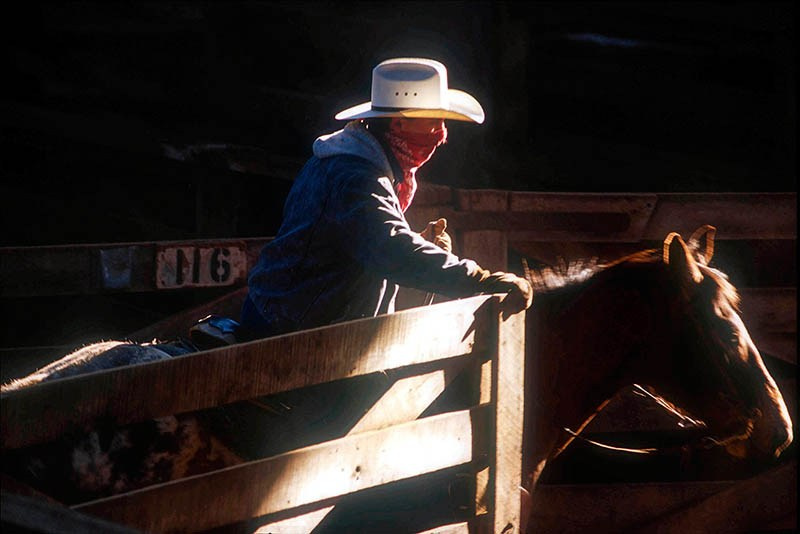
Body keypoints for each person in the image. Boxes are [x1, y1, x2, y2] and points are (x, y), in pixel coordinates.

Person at [241, 57, 532, 339]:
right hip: (290, 330)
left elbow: (363, 244)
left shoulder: (355, 161)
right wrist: (476, 279)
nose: (441, 133)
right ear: (398, 125)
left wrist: (421, 244)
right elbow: (391, 249)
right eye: (432, 120)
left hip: (300, 319)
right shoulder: (355, 177)